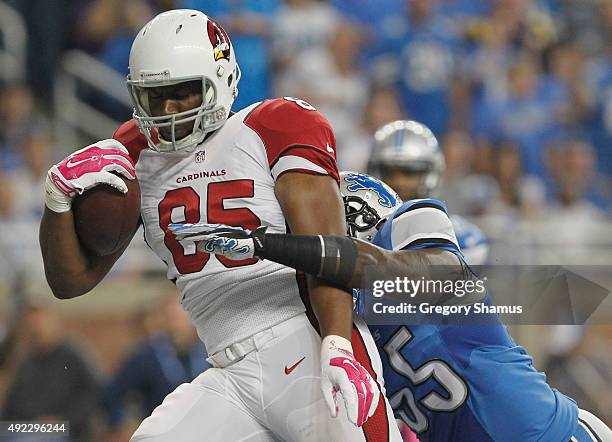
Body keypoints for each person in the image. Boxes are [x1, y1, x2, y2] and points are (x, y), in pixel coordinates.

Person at [39, 9, 400, 441]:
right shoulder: (134, 154)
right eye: (156, 96)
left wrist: (338, 344)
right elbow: (71, 282)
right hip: (227, 371)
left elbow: (327, 250)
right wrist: (56, 198)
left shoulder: (274, 125)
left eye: (183, 93)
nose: (169, 110)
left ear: (221, 79)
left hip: (303, 344)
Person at [171, 171, 612, 441]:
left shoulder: (413, 233)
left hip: (551, 433)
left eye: (319, 229)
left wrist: (273, 245)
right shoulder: (337, 316)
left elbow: (411, 271)